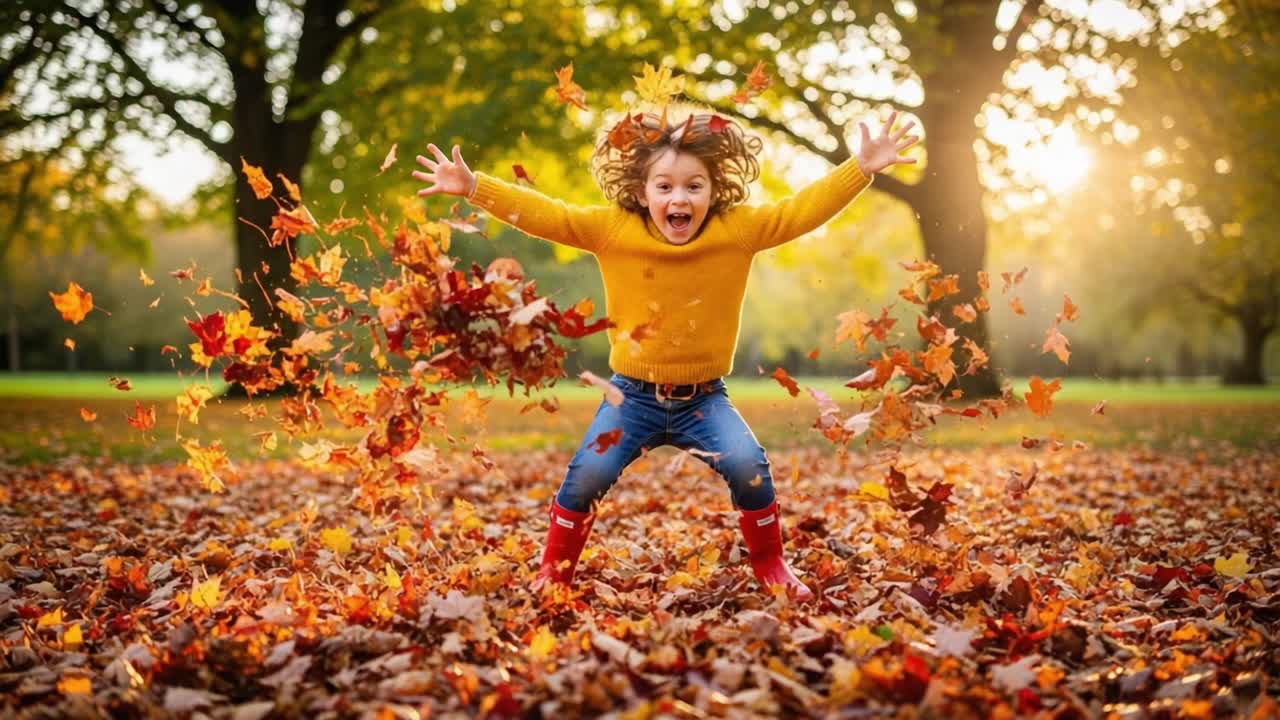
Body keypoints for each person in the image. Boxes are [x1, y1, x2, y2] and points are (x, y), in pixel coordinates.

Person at [413, 104, 918, 601]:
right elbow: (552, 216)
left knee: (749, 466)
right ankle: (554, 572)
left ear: (714, 191)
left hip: (705, 399)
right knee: (587, 475)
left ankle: (772, 565)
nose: (680, 197)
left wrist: (860, 169)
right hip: (630, 399)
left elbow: (799, 211)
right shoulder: (614, 229)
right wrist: (476, 187)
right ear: (642, 191)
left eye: (694, 186)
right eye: (665, 186)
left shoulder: (737, 231)